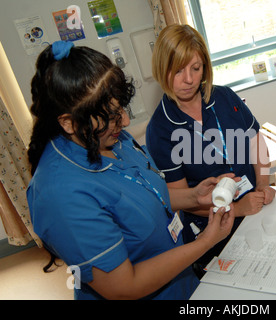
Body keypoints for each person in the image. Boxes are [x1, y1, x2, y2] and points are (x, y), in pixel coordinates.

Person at [26, 41, 235, 300]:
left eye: (121, 111)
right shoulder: (61, 195)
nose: (124, 122)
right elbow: (123, 287)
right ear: (69, 123)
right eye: (112, 117)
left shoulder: (111, 139)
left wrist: (194, 196)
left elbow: (141, 196)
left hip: (180, 283)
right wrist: (206, 242)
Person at [146, 24, 276, 271]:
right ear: (162, 71)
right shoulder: (162, 129)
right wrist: (237, 209)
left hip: (255, 208)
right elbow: (183, 198)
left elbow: (256, 141)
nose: (189, 79)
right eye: (178, 71)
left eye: (196, 68)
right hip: (213, 229)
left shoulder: (225, 97)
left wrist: (263, 184)